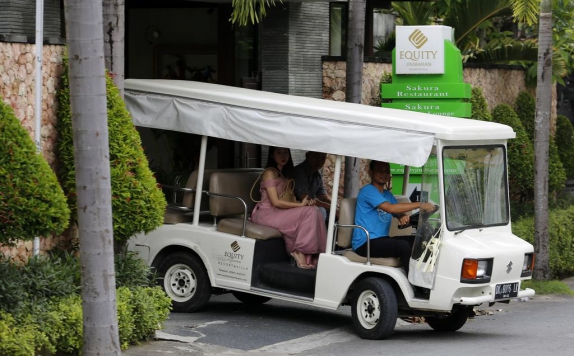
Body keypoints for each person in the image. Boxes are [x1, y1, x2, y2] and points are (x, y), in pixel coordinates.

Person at [352, 160, 435, 276]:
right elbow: (390, 208)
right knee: (403, 246)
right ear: (371, 172)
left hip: (381, 239)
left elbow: (396, 212)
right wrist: (420, 204)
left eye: (386, 171)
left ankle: (426, 276)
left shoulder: (387, 195)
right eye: (380, 171)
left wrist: (402, 216)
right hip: (365, 242)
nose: (384, 174)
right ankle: (414, 283)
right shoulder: (368, 191)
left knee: (419, 240)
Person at [251, 147, 327, 269]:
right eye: (279, 153)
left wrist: (305, 203)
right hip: (267, 213)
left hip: (280, 211)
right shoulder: (269, 173)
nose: (283, 156)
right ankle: (299, 251)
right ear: (272, 155)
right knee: (309, 213)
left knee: (315, 211)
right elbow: (275, 202)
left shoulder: (285, 173)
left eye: (286, 152)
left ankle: (313, 255)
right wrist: (300, 205)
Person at [289, 151, 335, 221]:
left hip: (308, 207)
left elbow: (323, 196)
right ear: (307, 156)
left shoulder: (317, 175)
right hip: (294, 208)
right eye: (316, 157)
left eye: (323, 158)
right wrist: (330, 206)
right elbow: (306, 199)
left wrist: (334, 205)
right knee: (321, 211)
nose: (319, 161)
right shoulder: (299, 172)